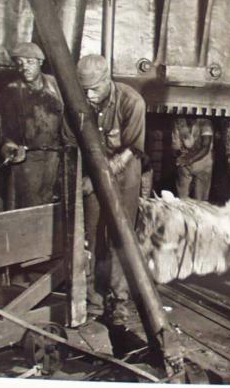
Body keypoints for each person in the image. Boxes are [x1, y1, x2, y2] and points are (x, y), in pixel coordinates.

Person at [72, 54, 146, 323]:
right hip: (92, 174)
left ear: (107, 79)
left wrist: (99, 179)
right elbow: (74, 143)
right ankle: (92, 299)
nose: (89, 95)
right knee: (90, 235)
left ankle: (119, 300)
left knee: (120, 235)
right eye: (84, 90)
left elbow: (130, 151)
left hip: (124, 175)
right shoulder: (81, 102)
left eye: (94, 88)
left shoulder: (131, 101)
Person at [0, 42, 64, 209]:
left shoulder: (56, 86)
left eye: (30, 62)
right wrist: (10, 147)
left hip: (56, 155)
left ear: (40, 63)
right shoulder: (11, 91)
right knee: (28, 206)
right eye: (19, 63)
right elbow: (7, 132)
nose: (24, 67)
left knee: (57, 204)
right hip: (27, 159)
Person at [171, 117, 214, 200]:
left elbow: (206, 147)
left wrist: (189, 159)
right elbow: (175, 147)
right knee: (182, 199)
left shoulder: (205, 123)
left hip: (203, 163)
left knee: (200, 200)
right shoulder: (179, 121)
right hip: (185, 164)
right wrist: (181, 158)